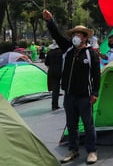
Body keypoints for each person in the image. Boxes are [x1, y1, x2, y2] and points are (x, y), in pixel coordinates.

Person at [42, 9, 100, 164]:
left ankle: (92, 151)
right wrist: (50, 21)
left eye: (80, 34)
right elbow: (56, 34)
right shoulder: (68, 49)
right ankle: (72, 150)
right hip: (69, 95)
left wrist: (95, 92)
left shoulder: (91, 53)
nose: (76, 36)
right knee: (71, 125)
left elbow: (97, 75)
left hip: (85, 97)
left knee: (88, 125)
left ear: (85, 38)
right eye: (74, 34)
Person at [45, 41, 62, 111]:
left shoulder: (49, 53)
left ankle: (54, 105)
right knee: (66, 88)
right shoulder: (61, 52)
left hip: (52, 71)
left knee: (55, 89)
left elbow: (46, 63)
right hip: (61, 71)